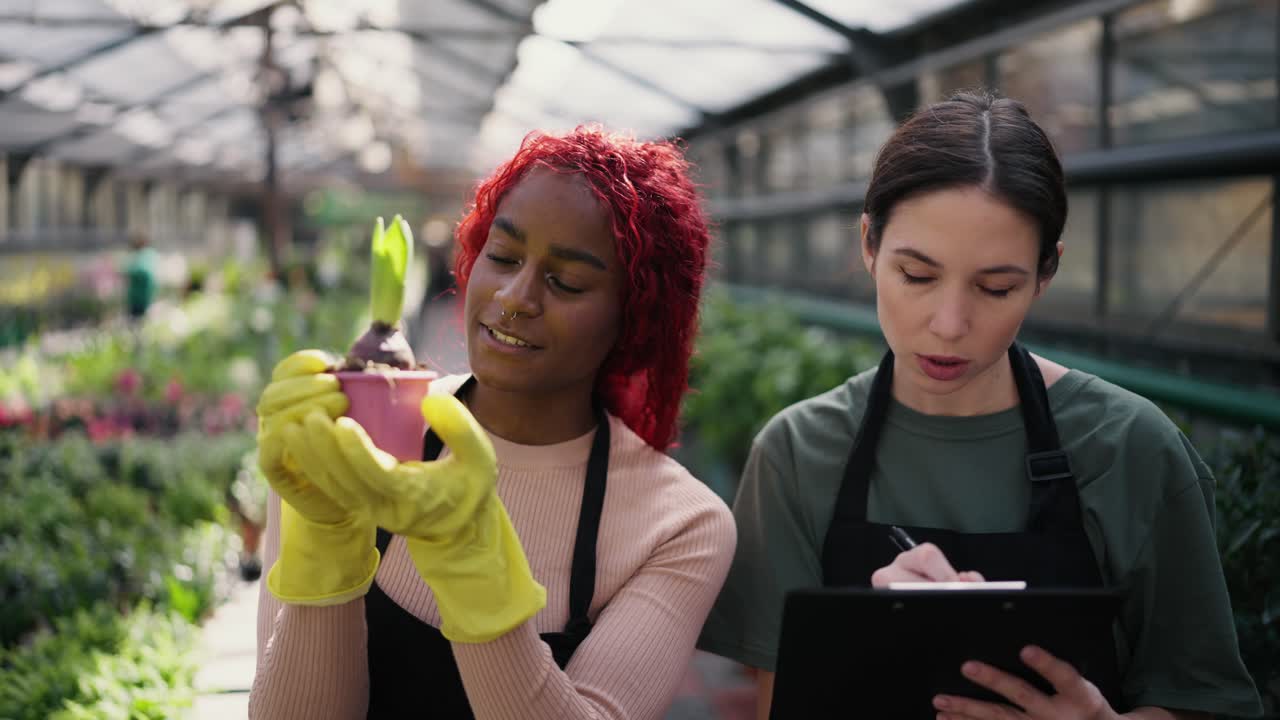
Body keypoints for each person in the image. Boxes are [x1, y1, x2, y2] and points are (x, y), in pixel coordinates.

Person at [697, 91, 1262, 719]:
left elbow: (1207, 701)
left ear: (1046, 273)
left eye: (998, 287)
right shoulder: (798, 453)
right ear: (869, 245)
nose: (949, 323)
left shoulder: (1130, 446)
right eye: (916, 275)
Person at [249, 125, 736, 719]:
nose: (514, 296)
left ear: (633, 318)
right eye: (501, 256)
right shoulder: (356, 436)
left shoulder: (678, 524)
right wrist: (327, 536)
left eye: (567, 281)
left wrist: (470, 557)